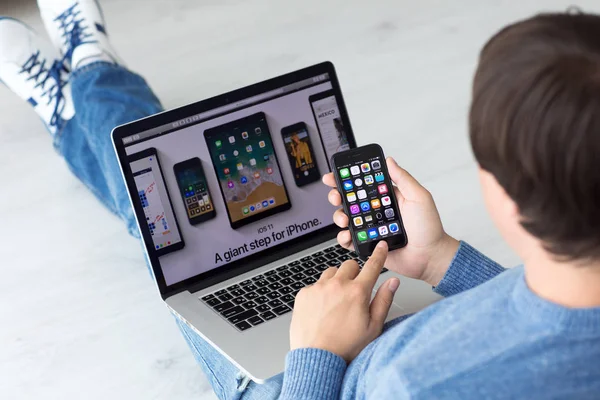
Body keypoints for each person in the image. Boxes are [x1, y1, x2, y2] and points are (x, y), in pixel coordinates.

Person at [2, 2, 599, 399]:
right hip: (368, 338)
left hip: (311, 380)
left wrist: (316, 351)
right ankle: (77, 96)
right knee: (165, 211)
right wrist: (443, 260)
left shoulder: (407, 382)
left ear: (499, 192)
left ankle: (88, 77)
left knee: (162, 224)